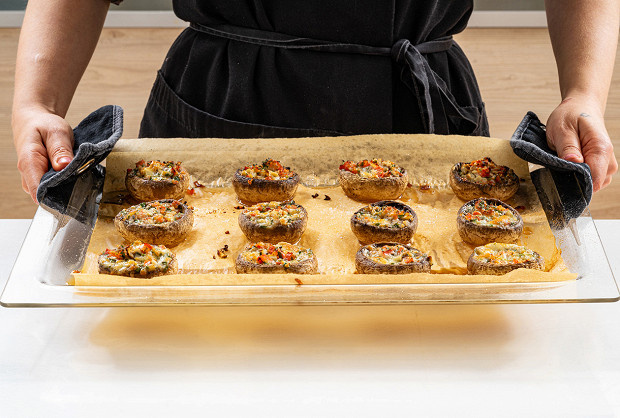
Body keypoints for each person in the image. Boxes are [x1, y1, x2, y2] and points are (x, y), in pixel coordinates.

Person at [12, 0, 618, 203]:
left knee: (427, 356)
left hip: (420, 100)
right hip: (224, 94)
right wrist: (37, 102)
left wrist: (582, 92)